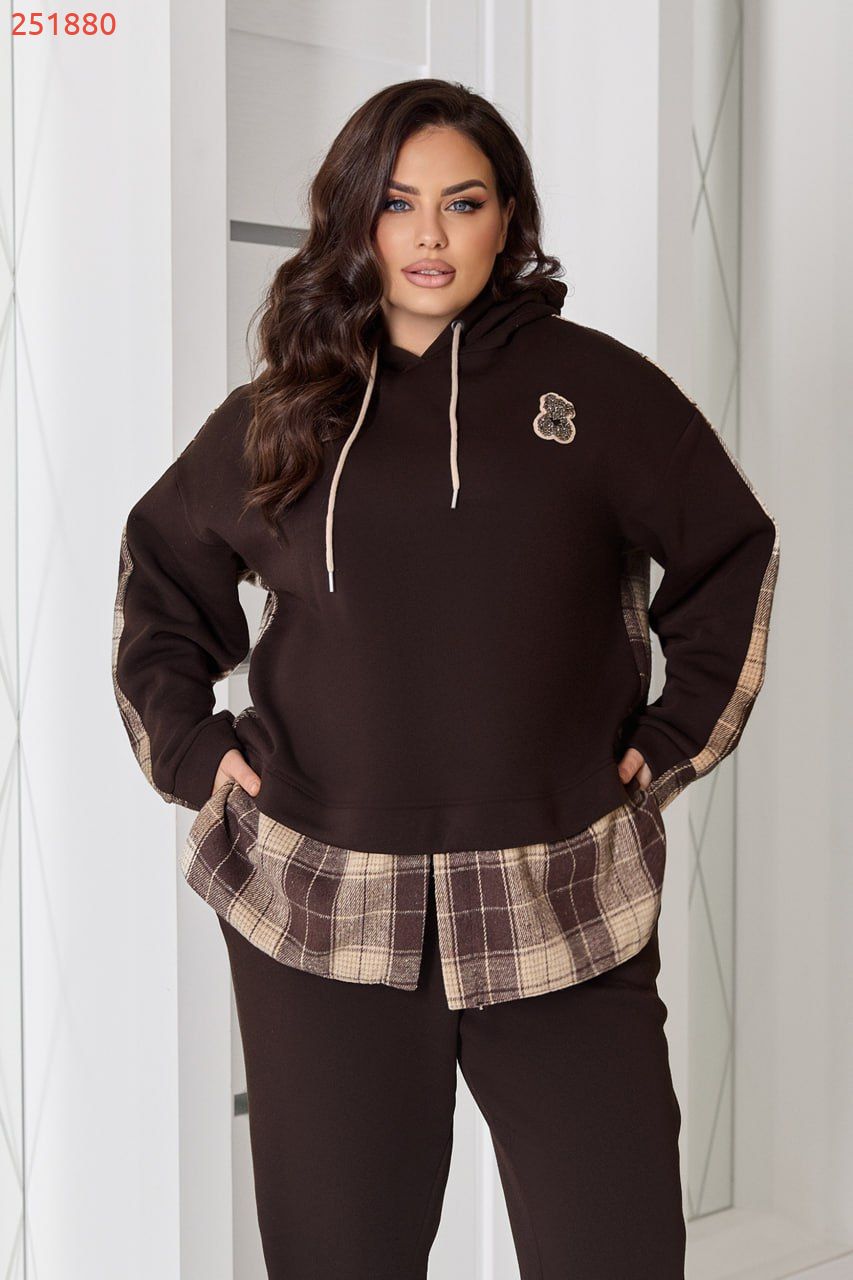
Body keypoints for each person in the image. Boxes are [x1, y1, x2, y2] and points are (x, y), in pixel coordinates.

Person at [111, 78, 780, 1280]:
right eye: (397, 203)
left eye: (461, 203)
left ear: (506, 216)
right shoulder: (281, 413)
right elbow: (160, 574)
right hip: (323, 905)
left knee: (615, 1248)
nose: (428, 234)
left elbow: (731, 548)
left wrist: (677, 728)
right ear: (355, 219)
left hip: (561, 892)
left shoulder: (600, 393)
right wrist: (194, 745)